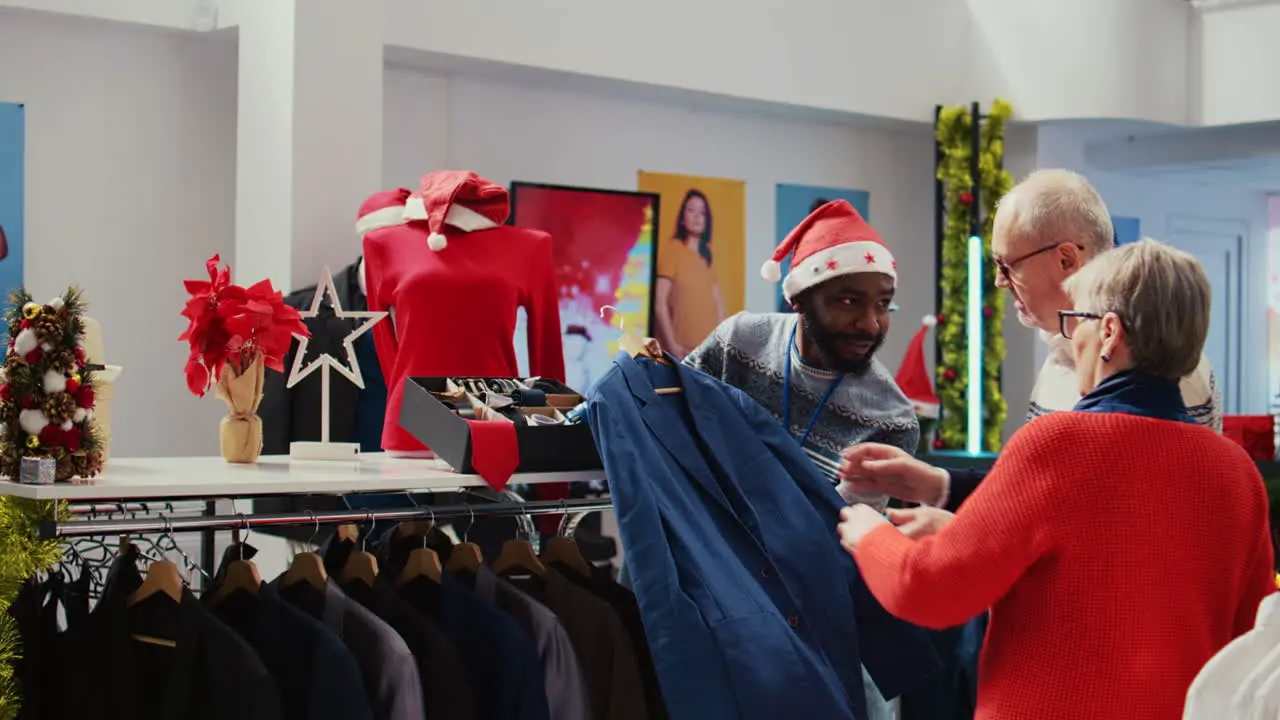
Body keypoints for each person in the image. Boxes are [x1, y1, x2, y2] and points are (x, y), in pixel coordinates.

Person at [836, 238, 1275, 720]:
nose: (1071, 339)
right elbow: (1248, 643)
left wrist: (868, 534)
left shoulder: (1056, 444)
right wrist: (956, 530)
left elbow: (928, 591)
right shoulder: (1236, 474)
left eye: (1076, 322)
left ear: (1108, 332)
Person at [839, 170, 1223, 529]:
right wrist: (936, 485)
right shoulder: (1064, 352)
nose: (999, 282)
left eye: (1007, 266)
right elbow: (1043, 490)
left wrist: (957, 533)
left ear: (1067, 259)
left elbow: (1117, 525)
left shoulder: (1154, 366)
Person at [654, 189, 724, 359]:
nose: (697, 217)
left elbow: (718, 305)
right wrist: (673, 347)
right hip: (681, 353)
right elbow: (659, 303)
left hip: (709, 352)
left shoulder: (707, 256)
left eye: (702, 213)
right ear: (682, 218)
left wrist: (723, 345)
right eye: (691, 210)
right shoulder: (673, 251)